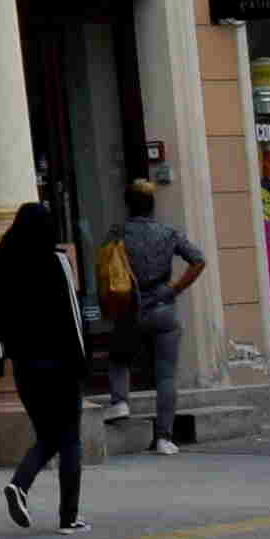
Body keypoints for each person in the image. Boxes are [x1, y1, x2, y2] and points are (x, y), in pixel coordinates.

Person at [0, 193, 91, 535]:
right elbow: (75, 316)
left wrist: (0, 357)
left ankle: (19, 485)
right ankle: (69, 517)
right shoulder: (57, 261)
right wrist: (82, 360)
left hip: (25, 367)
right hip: (60, 364)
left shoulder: (4, 264)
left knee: (49, 435)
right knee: (70, 438)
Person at [99, 180, 210, 451]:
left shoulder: (117, 233)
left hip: (130, 309)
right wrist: (174, 289)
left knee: (118, 357)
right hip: (163, 309)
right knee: (166, 376)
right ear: (152, 206)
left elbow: (104, 269)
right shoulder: (168, 233)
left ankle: (120, 402)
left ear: (128, 205)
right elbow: (198, 260)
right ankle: (164, 438)